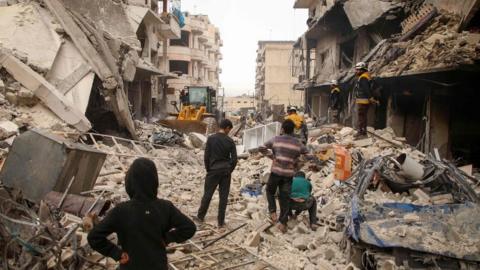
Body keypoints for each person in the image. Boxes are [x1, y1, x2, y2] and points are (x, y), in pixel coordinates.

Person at [88, 158, 196, 270]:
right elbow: (189, 228)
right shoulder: (166, 207)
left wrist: (116, 253)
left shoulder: (121, 210)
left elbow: (94, 237)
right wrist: (167, 238)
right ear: (155, 181)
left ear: (130, 182)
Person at [259, 119, 311, 233]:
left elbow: (261, 147)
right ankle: (283, 223)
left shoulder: (276, 139)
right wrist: (297, 164)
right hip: (288, 174)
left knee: (270, 191)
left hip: (276, 172)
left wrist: (272, 157)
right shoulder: (297, 143)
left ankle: (272, 212)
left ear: (282, 129)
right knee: (284, 197)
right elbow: (309, 155)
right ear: (293, 131)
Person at [196, 119, 238, 228]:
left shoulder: (211, 139)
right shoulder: (230, 141)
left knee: (207, 194)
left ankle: (200, 217)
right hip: (225, 172)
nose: (230, 131)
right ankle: (220, 222)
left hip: (213, 170)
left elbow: (206, 156)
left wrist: (208, 169)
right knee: (223, 197)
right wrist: (229, 170)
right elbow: (234, 160)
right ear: (227, 128)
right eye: (230, 129)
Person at [354, 62, 377, 138]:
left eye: (358, 70)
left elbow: (366, 89)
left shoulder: (363, 77)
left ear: (362, 70)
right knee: (363, 116)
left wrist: (370, 98)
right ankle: (362, 131)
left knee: (361, 117)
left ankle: (362, 132)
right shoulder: (366, 76)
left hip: (363, 101)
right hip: (363, 100)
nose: (356, 71)